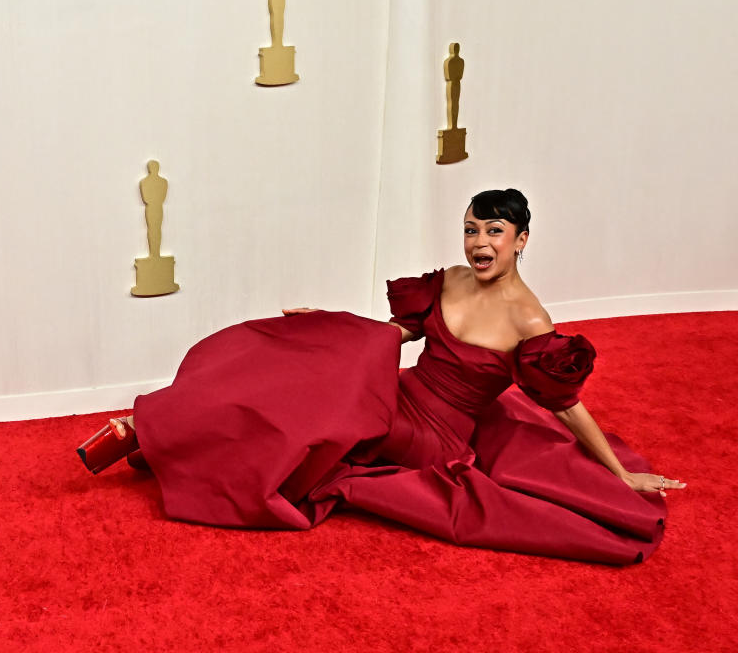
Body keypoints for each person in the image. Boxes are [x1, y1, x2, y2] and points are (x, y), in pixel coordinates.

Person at [77, 189, 684, 564]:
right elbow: (399, 335)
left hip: (434, 435)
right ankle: (156, 427)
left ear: (521, 240)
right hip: (399, 391)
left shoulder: (530, 318)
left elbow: (565, 405)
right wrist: (326, 329)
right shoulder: (448, 278)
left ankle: (150, 432)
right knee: (302, 371)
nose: (479, 242)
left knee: (319, 406)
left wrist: (619, 474)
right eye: (471, 229)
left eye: (494, 232)